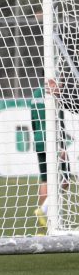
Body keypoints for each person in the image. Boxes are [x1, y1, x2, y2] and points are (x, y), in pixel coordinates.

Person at [32, 78, 75, 231]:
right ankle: (43, 211)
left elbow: (33, 120)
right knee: (65, 178)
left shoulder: (35, 93)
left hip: (38, 138)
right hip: (53, 139)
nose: (62, 83)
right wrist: (61, 145)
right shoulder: (54, 92)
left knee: (45, 180)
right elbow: (57, 118)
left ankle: (45, 224)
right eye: (60, 79)